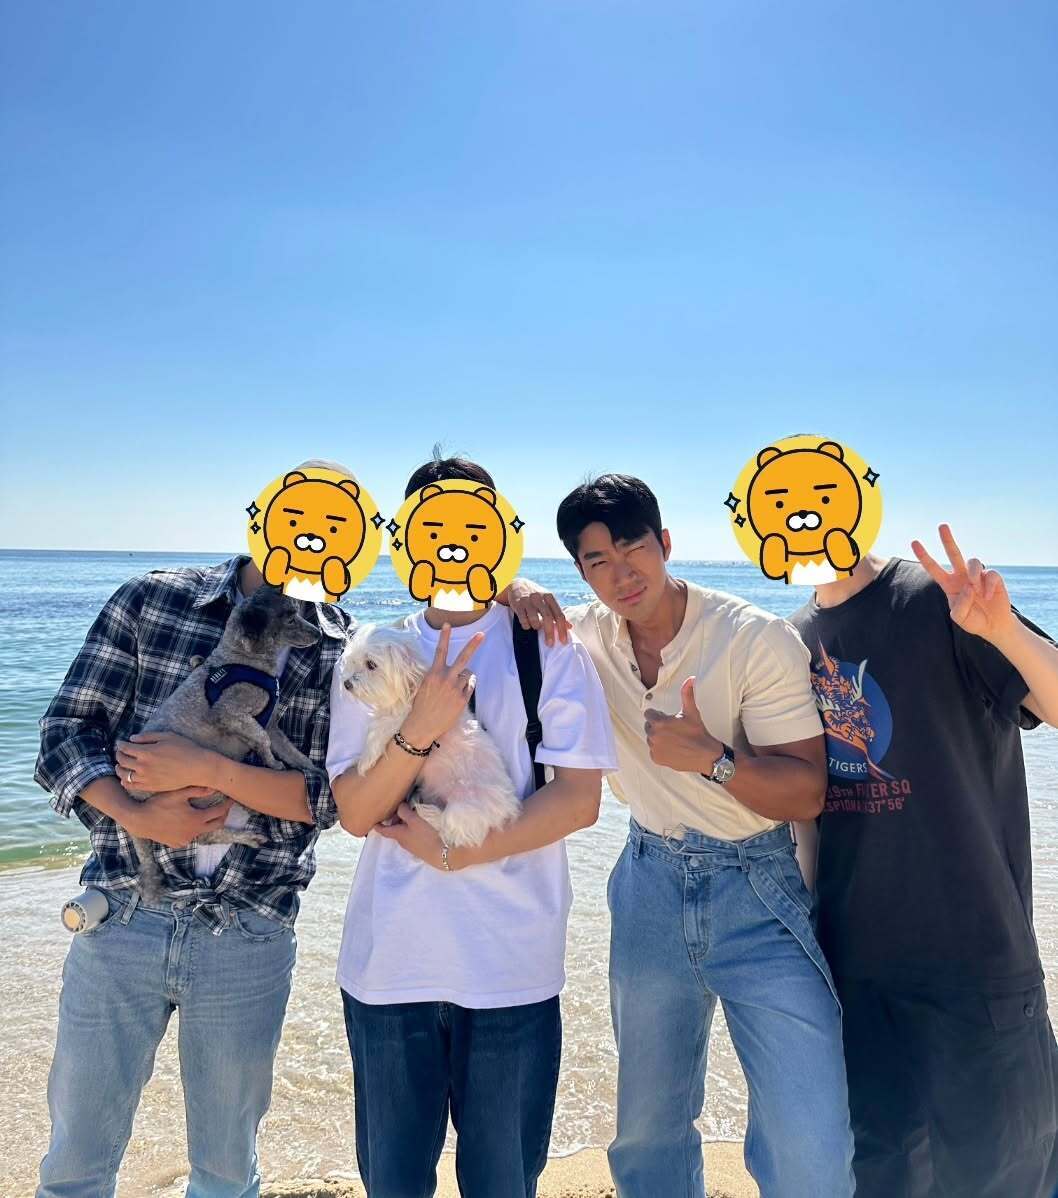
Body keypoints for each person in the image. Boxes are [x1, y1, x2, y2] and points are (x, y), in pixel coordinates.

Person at [504, 473, 854, 1198]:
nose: (621, 573)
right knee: (647, 1133)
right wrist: (514, 586)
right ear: (580, 572)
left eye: (633, 548)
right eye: (597, 561)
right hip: (649, 883)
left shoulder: (753, 637)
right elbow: (476, 605)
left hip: (758, 888)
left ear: (665, 543)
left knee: (811, 1142)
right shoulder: (583, 637)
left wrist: (714, 760)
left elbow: (807, 792)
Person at [34, 467, 351, 1198]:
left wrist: (210, 767)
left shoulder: (338, 644)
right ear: (264, 517)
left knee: (226, 1174)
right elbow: (63, 735)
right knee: (75, 1167)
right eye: (301, 519)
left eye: (337, 527)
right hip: (122, 914)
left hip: (250, 926)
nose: (314, 537)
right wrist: (137, 813)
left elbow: (334, 800)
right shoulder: (152, 600)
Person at [327, 454, 617, 1198]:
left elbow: (579, 801)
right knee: (393, 1183)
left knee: (503, 1182)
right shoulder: (370, 652)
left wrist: (453, 852)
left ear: (499, 533)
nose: (451, 541)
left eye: (469, 523)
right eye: (433, 525)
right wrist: (419, 731)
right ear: (404, 538)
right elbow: (355, 811)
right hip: (390, 965)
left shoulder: (547, 645)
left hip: (511, 963)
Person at [788, 524, 1058, 1197]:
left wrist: (1006, 632)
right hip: (855, 974)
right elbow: (806, 818)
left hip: (978, 964)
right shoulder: (789, 640)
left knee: (1002, 1178)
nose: (801, 521)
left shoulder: (939, 600)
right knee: (879, 1176)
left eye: (819, 498)